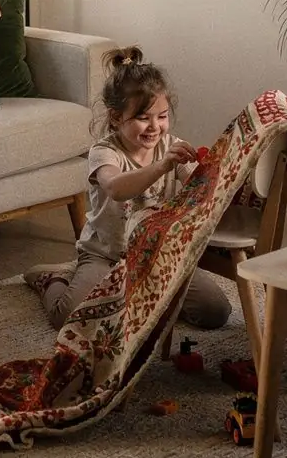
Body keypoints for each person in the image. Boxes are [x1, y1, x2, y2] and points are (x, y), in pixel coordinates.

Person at [25, 46, 231, 331]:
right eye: (143, 118)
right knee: (68, 318)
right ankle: (53, 280)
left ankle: (135, 293)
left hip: (157, 253)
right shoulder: (104, 152)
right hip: (105, 254)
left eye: (162, 116)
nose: (155, 126)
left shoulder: (171, 146)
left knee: (215, 311)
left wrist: (216, 170)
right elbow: (115, 187)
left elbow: (199, 188)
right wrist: (162, 166)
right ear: (115, 117)